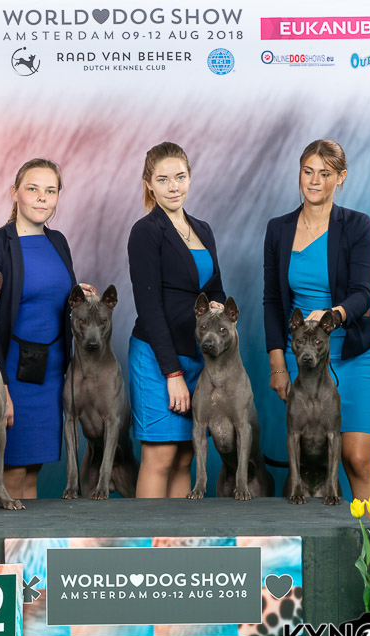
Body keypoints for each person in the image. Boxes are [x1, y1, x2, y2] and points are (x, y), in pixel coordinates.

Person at [263, 138, 370, 502]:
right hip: (304, 358)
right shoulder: (278, 229)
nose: (314, 181)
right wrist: (278, 365)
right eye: (308, 171)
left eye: (325, 174)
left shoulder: (358, 226)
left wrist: (335, 315)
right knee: (307, 459)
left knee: (357, 458)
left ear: (341, 177)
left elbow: (362, 294)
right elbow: (273, 302)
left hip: (352, 352)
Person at [0, 159, 77, 500]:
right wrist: (0, 386)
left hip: (51, 376)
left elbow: (53, 300)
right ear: (15, 193)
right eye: (33, 189)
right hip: (10, 374)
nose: (42, 197)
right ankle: (0, 536)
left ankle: (28, 538)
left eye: (50, 191)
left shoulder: (58, 242)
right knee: (9, 473)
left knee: (32, 472)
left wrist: (81, 298)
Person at [128, 142, 226, 498]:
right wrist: (172, 374)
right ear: (149, 184)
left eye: (180, 177)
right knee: (161, 456)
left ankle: (178, 535)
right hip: (158, 359)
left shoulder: (203, 228)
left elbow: (215, 287)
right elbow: (149, 307)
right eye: (163, 179)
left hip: (199, 356)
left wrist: (217, 305)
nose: (173, 187)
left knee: (186, 456)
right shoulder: (146, 231)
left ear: (190, 177)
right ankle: (146, 535)